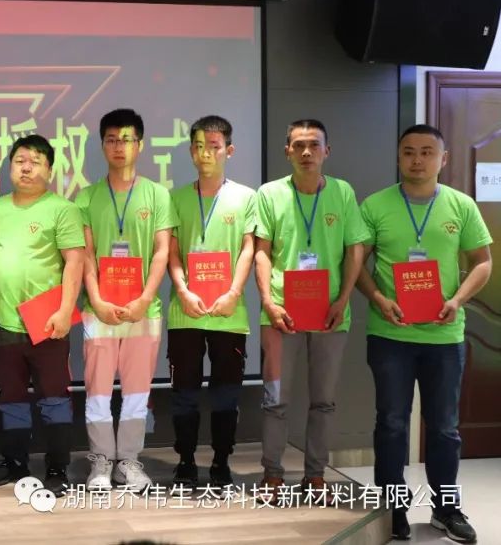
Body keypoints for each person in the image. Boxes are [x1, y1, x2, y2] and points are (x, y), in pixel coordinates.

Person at [356, 124, 491, 543]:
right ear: (398, 157)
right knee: (392, 424)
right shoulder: (375, 205)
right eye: (409, 152)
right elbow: (356, 265)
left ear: (443, 159)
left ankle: (446, 509)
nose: (417, 160)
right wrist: (378, 298)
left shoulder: (461, 205)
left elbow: (483, 261)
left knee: (445, 428)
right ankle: (392, 509)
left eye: (427, 152)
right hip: (390, 335)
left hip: (443, 338)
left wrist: (458, 300)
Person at [253, 119, 368, 499]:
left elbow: (355, 249)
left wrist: (343, 299)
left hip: (329, 314)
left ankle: (315, 476)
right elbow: (261, 252)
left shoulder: (342, 192)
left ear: (326, 151)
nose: (306, 152)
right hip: (280, 314)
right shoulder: (269, 194)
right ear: (287, 151)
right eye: (298, 145)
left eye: (314, 145)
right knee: (275, 399)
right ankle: (272, 475)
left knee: (324, 401)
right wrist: (268, 302)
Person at [0, 134, 84, 497]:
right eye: (20, 160)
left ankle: (57, 466)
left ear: (49, 171)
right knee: (10, 397)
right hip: (2, 319)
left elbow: (74, 262)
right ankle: (14, 462)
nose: (26, 167)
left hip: (47, 320)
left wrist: (65, 310)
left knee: (54, 397)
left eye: (35, 161)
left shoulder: (63, 209)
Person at [76, 109, 175, 491]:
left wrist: (145, 298)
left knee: (136, 393)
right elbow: (85, 254)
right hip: (98, 310)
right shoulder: (87, 197)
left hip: (143, 311)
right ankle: (100, 463)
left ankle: (129, 462)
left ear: (140, 145)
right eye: (112, 140)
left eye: (127, 139)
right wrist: (97, 299)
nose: (119, 147)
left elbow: (162, 251)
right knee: (98, 392)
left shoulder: (157, 194)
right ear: (103, 145)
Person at [166, 115, 256, 489]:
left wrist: (233, 293)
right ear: (191, 151)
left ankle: (221, 461)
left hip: (228, 313)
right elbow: (171, 252)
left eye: (214, 147)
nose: (206, 153)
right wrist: (183, 290)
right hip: (185, 311)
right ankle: (186, 461)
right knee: (184, 393)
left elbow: (249, 248)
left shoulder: (246, 197)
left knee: (225, 394)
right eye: (199, 146)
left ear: (229, 150)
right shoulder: (175, 198)